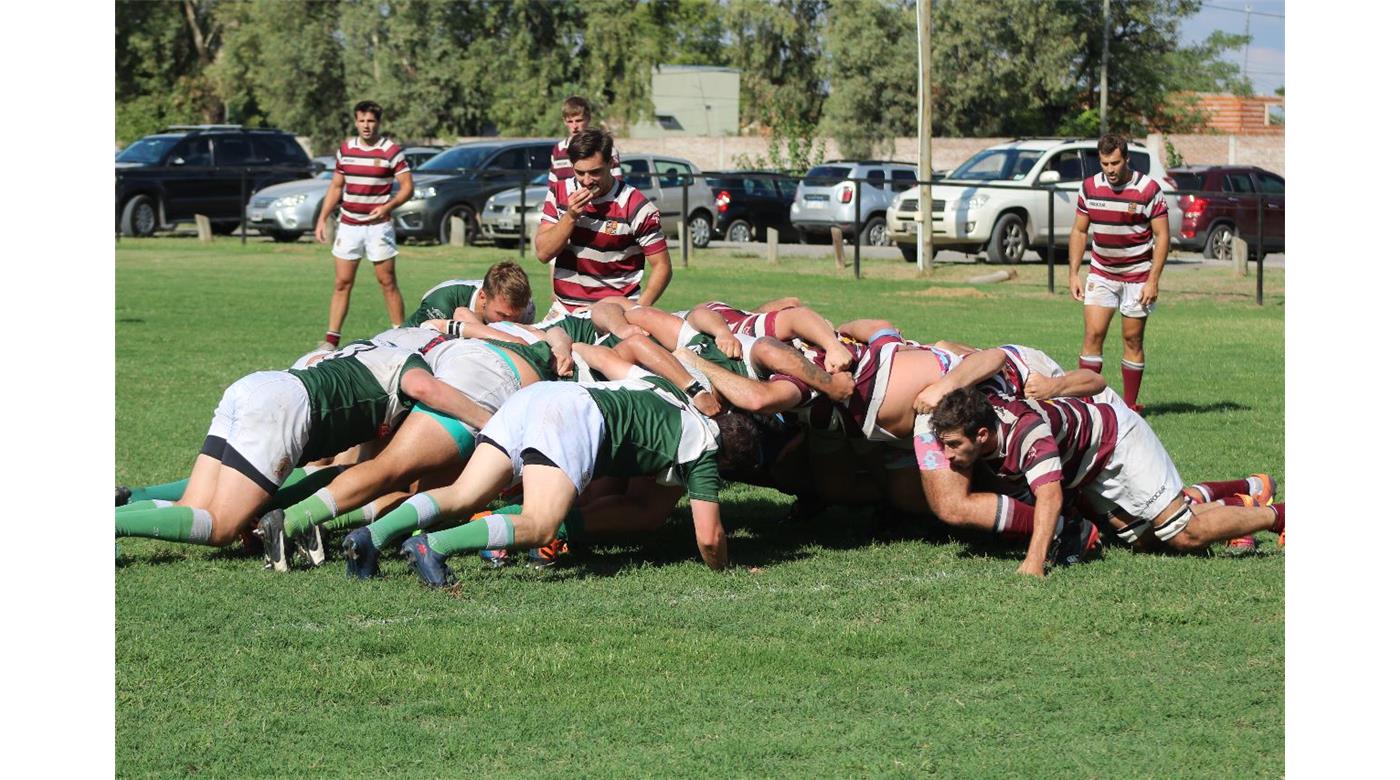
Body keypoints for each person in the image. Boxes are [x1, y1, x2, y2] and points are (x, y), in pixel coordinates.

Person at [114, 339, 491, 565]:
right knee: (221, 525)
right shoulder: (411, 361)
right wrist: (490, 424)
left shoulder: (369, 350)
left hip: (259, 386)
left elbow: (358, 465)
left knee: (193, 505)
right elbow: (426, 389)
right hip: (286, 407)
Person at [390, 369, 761, 587]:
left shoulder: (672, 393)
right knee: (541, 525)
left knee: (462, 494)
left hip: (546, 394)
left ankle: (372, 538)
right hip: (574, 416)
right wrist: (726, 569)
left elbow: (616, 363)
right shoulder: (706, 448)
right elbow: (709, 538)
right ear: (726, 460)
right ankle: (435, 545)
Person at [924, 387, 1284, 577]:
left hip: (1118, 443)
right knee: (1147, 542)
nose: (947, 455)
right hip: (1088, 465)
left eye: (953, 445)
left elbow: (1049, 497)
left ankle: (1279, 516)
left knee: (1185, 535)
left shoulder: (1028, 435)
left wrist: (1034, 563)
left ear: (982, 435)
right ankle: (1238, 502)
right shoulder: (985, 417)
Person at [1066, 133, 1170, 412]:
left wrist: (1153, 280)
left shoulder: (1148, 189)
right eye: (1104, 164)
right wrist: (1074, 273)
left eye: (1115, 163)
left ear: (1127, 159)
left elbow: (1162, 236)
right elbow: (1079, 231)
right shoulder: (1090, 188)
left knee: (1132, 339)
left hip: (1138, 276)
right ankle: (1087, 406)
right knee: (1092, 335)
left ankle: (1130, 406)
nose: (1110, 169)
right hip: (1102, 273)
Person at [534, 129, 671, 317]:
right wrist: (570, 216)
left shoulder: (635, 206)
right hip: (565, 309)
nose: (587, 181)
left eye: (595, 172)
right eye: (580, 172)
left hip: (615, 313)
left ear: (611, 163)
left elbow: (662, 266)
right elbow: (543, 254)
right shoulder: (559, 193)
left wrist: (637, 310)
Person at [313, 100, 415, 350]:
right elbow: (336, 186)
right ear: (356, 121)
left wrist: (388, 206)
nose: (366, 125)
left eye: (371, 121)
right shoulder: (346, 149)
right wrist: (322, 218)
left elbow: (408, 187)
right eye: (362, 121)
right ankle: (331, 341)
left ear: (378, 123)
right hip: (349, 225)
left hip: (379, 227)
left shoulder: (390, 151)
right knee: (342, 282)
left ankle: (401, 338)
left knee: (387, 281)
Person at [403, 261, 537, 328]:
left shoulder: (527, 308)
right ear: (483, 297)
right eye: (502, 315)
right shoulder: (444, 301)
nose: (508, 323)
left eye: (515, 318)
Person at [547, 96, 622, 212]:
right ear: (564, 121)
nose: (574, 126)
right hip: (565, 212)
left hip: (598, 212)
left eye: (578, 120)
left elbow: (617, 186)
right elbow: (552, 187)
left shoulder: (605, 149)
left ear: (588, 118)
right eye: (570, 121)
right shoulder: (559, 149)